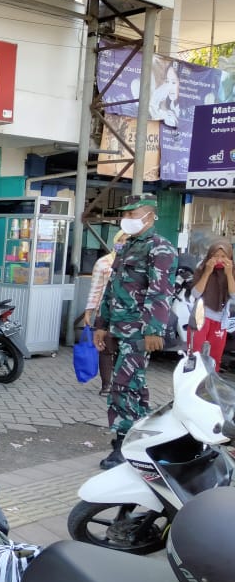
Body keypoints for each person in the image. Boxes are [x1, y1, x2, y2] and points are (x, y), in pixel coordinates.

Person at [94, 194, 177, 470]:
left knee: (124, 384)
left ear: (149, 216)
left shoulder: (160, 248)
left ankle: (122, 446)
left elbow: (161, 291)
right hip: (119, 327)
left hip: (140, 330)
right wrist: (101, 325)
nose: (126, 219)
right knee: (135, 385)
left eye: (132, 214)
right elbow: (111, 289)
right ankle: (141, 440)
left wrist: (154, 330)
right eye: (125, 214)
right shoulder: (127, 246)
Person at [84, 231, 129, 397]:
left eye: (127, 241)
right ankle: (106, 384)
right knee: (105, 347)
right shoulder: (103, 263)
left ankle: (121, 383)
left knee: (125, 350)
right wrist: (89, 311)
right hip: (106, 312)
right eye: (121, 240)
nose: (123, 244)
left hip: (129, 313)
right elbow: (95, 289)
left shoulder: (136, 262)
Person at [189, 239, 235, 372]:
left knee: (214, 359)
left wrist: (229, 274)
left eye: (223, 256)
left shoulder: (232, 271)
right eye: (215, 256)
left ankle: (211, 383)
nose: (219, 260)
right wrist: (207, 273)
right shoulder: (202, 268)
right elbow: (196, 293)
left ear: (229, 258)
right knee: (195, 355)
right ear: (209, 256)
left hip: (220, 320)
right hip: (200, 317)